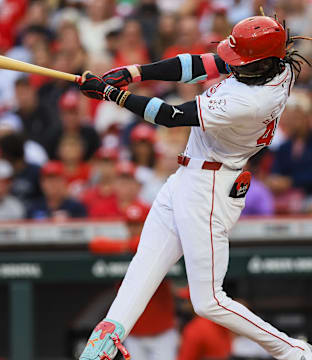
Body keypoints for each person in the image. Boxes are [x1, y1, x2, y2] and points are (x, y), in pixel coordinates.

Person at [78, 15, 312, 360]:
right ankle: (104, 341)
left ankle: (295, 352)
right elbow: (201, 64)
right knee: (145, 263)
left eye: (241, 60)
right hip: (189, 176)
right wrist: (137, 72)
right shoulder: (275, 67)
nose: (231, 63)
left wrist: (113, 95)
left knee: (209, 301)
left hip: (211, 186)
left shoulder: (251, 101)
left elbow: (170, 116)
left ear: (262, 63)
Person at [89, 202, 178, 360]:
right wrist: (125, 247)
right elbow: (95, 244)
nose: (134, 229)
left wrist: (127, 246)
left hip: (162, 332)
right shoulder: (123, 248)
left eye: (138, 224)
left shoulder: (158, 244)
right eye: (131, 225)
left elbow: (139, 244)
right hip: (132, 332)